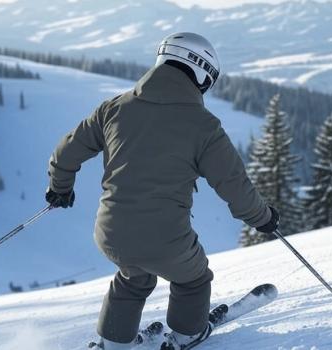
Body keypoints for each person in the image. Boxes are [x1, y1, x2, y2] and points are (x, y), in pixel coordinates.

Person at [45, 32, 279, 350]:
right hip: (166, 238)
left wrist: (60, 188)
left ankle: (114, 342)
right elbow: (234, 185)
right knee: (193, 278)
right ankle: (187, 334)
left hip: (111, 232)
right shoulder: (204, 126)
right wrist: (262, 218)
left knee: (133, 276)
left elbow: (67, 152)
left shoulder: (114, 108)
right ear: (200, 73)